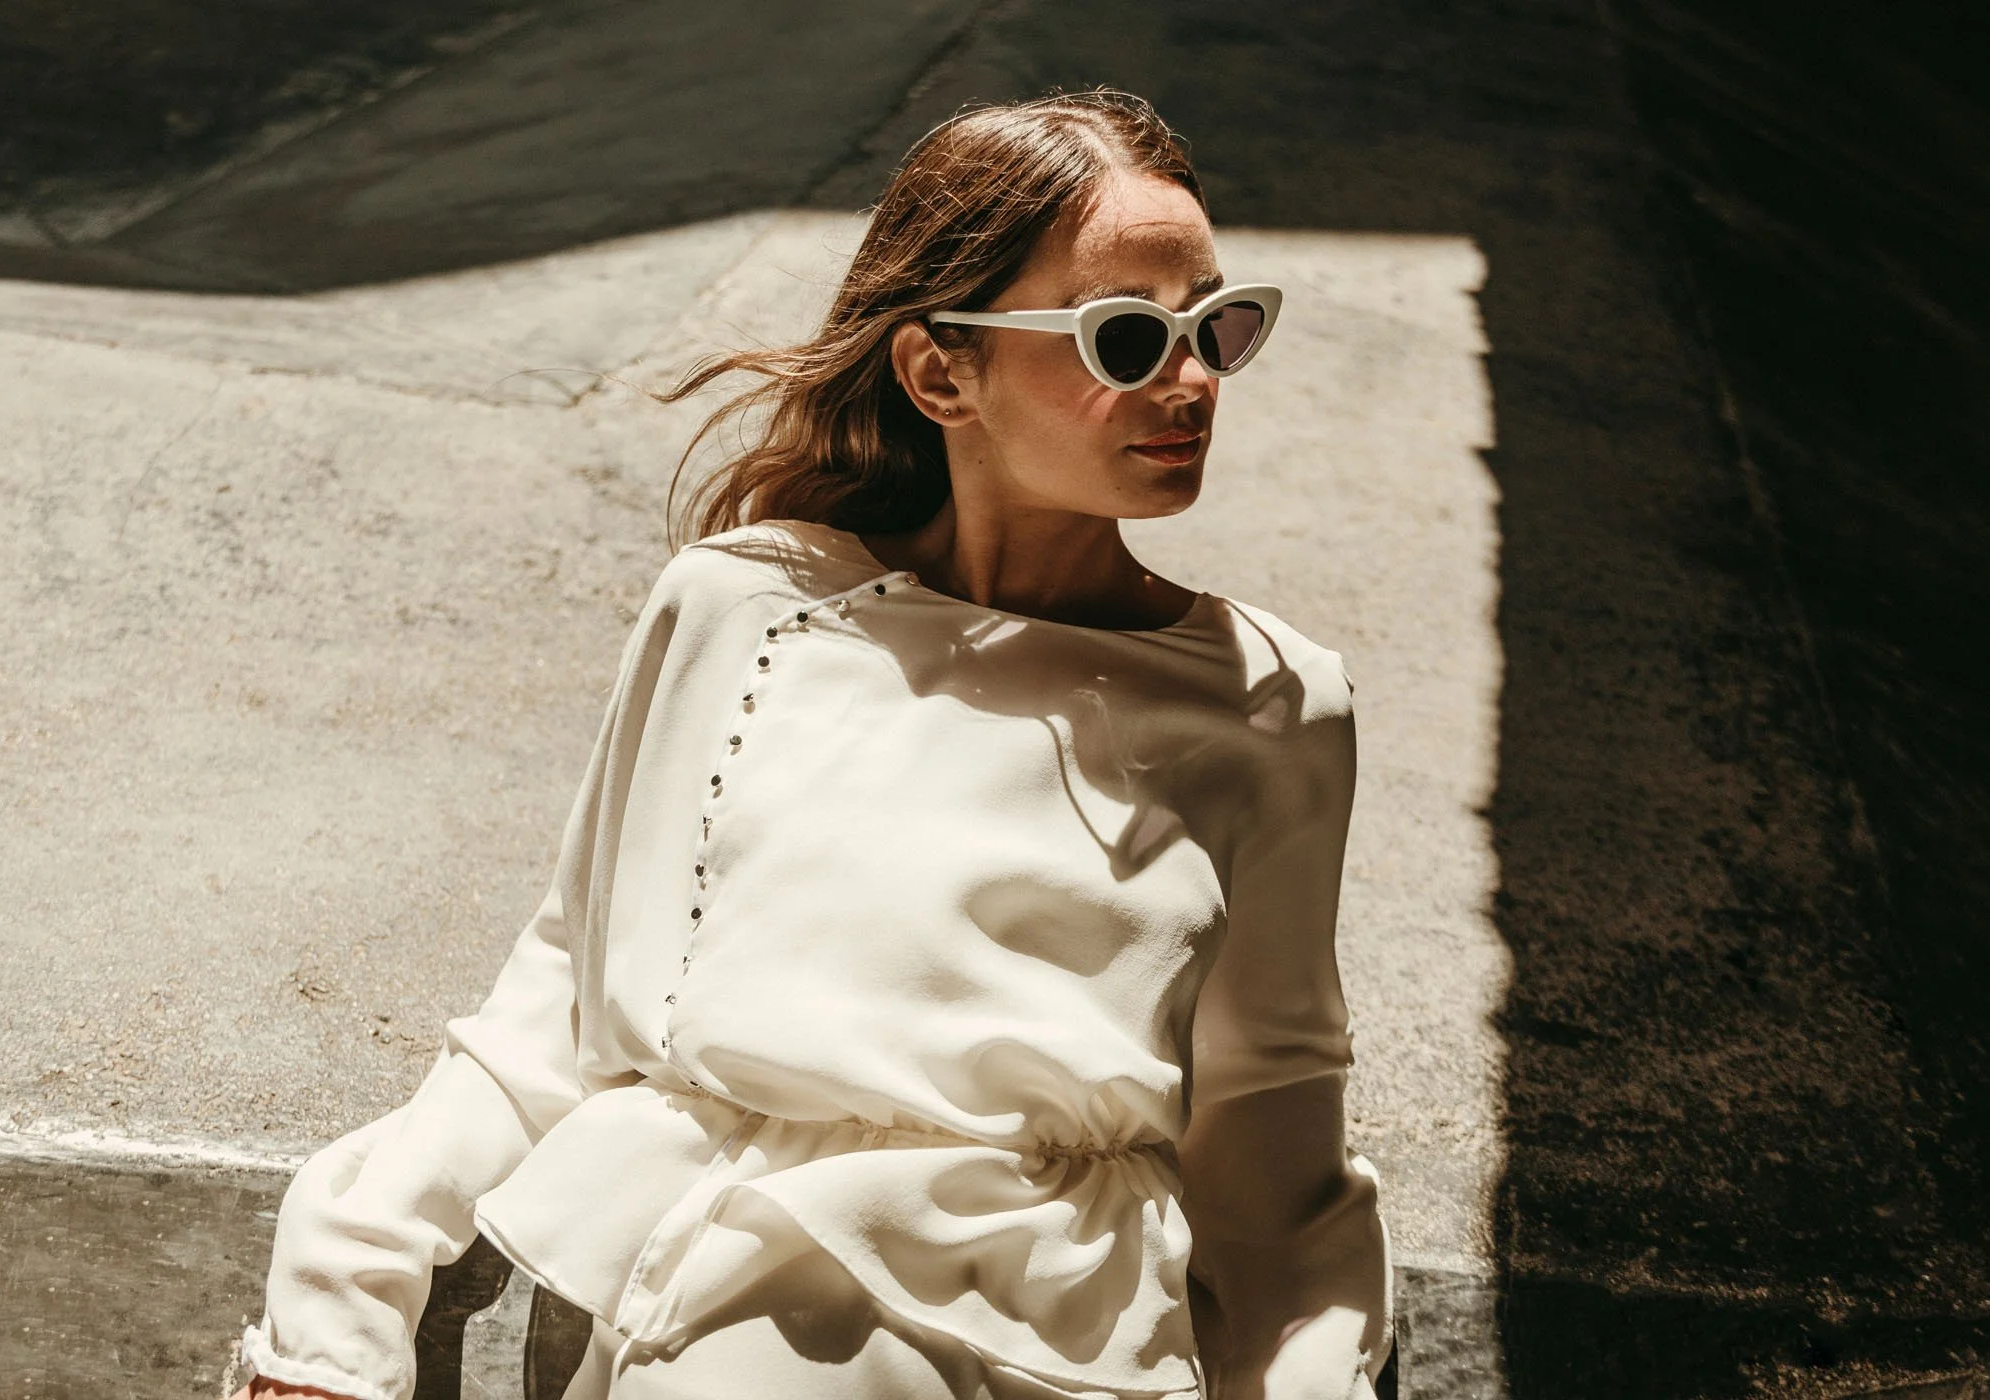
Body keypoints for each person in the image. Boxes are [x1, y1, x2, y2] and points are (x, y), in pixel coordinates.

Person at [229, 87, 1393, 1400]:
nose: (1190, 382)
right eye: (1126, 338)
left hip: (1073, 1357)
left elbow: (1274, 1168)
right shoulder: (751, 610)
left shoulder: (1274, 701)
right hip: (738, 1329)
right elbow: (567, 1001)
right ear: (940, 370)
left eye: (1216, 328)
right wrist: (344, 1298)